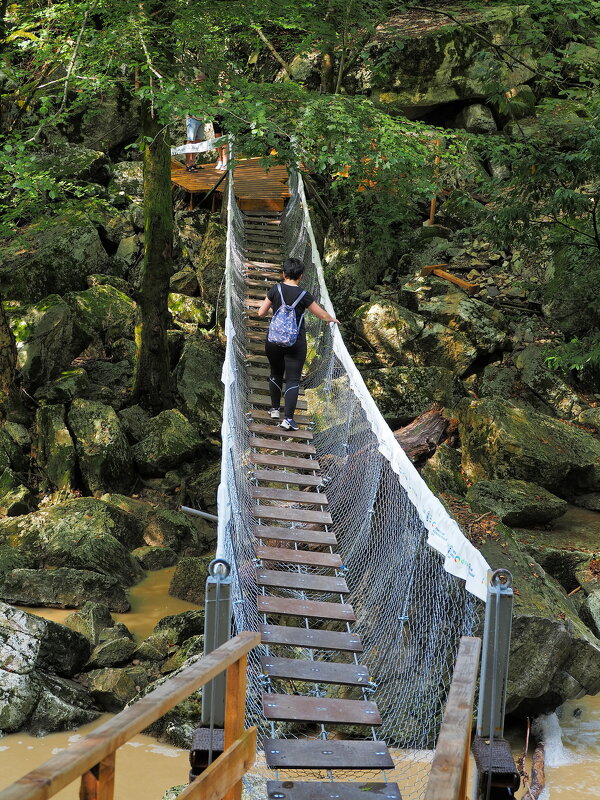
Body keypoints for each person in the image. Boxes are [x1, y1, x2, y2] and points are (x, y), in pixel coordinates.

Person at [258, 257, 339, 431]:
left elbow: (261, 313)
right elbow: (321, 315)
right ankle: (288, 419)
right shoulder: (304, 295)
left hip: (274, 341)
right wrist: (331, 319)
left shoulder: (275, 289)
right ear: (300, 276)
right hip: (296, 343)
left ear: (284, 274)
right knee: (293, 379)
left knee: (275, 373)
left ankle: (274, 409)